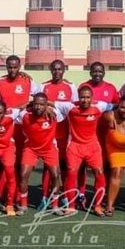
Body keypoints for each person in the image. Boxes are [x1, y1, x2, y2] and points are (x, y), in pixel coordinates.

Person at [0, 55, 38, 209]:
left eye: (15, 67)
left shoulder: (28, 81)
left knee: (19, 164)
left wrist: (27, 104)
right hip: (4, 127)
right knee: (2, 164)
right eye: (10, 67)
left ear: (20, 66)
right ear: (6, 67)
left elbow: (40, 98)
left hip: (23, 128)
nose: (12, 70)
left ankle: (16, 196)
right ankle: (2, 197)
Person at [54, 86, 114, 216]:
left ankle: (97, 206)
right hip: (74, 146)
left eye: (87, 97)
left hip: (92, 146)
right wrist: (47, 107)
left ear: (92, 98)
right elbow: (52, 103)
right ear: (78, 98)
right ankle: (71, 206)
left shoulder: (100, 106)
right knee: (71, 174)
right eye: (82, 97)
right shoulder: (70, 107)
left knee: (99, 173)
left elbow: (115, 106)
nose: (85, 100)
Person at [77, 61, 120, 209]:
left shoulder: (110, 88)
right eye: (94, 71)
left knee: (102, 168)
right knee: (81, 167)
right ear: (90, 72)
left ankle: (101, 198)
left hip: (105, 135)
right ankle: (81, 196)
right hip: (85, 134)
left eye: (100, 71)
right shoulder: (84, 86)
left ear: (104, 72)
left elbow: (117, 106)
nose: (97, 73)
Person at [16, 93, 65, 216]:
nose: (38, 107)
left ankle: (55, 205)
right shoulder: (24, 115)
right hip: (31, 148)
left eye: (42, 104)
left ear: (46, 105)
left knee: (55, 175)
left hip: (49, 148)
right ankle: (23, 204)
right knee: (23, 174)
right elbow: (14, 111)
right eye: (36, 104)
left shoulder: (54, 114)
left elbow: (66, 113)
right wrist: (27, 104)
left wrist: (49, 107)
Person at [38, 59, 77, 210]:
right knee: (49, 167)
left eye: (59, 69)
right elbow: (37, 104)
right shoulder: (43, 86)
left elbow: (74, 108)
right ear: (50, 69)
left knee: (65, 167)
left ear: (64, 70)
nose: (57, 72)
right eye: (54, 69)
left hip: (66, 132)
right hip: (49, 133)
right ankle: (44, 197)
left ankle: (64, 196)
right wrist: (46, 106)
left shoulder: (70, 86)